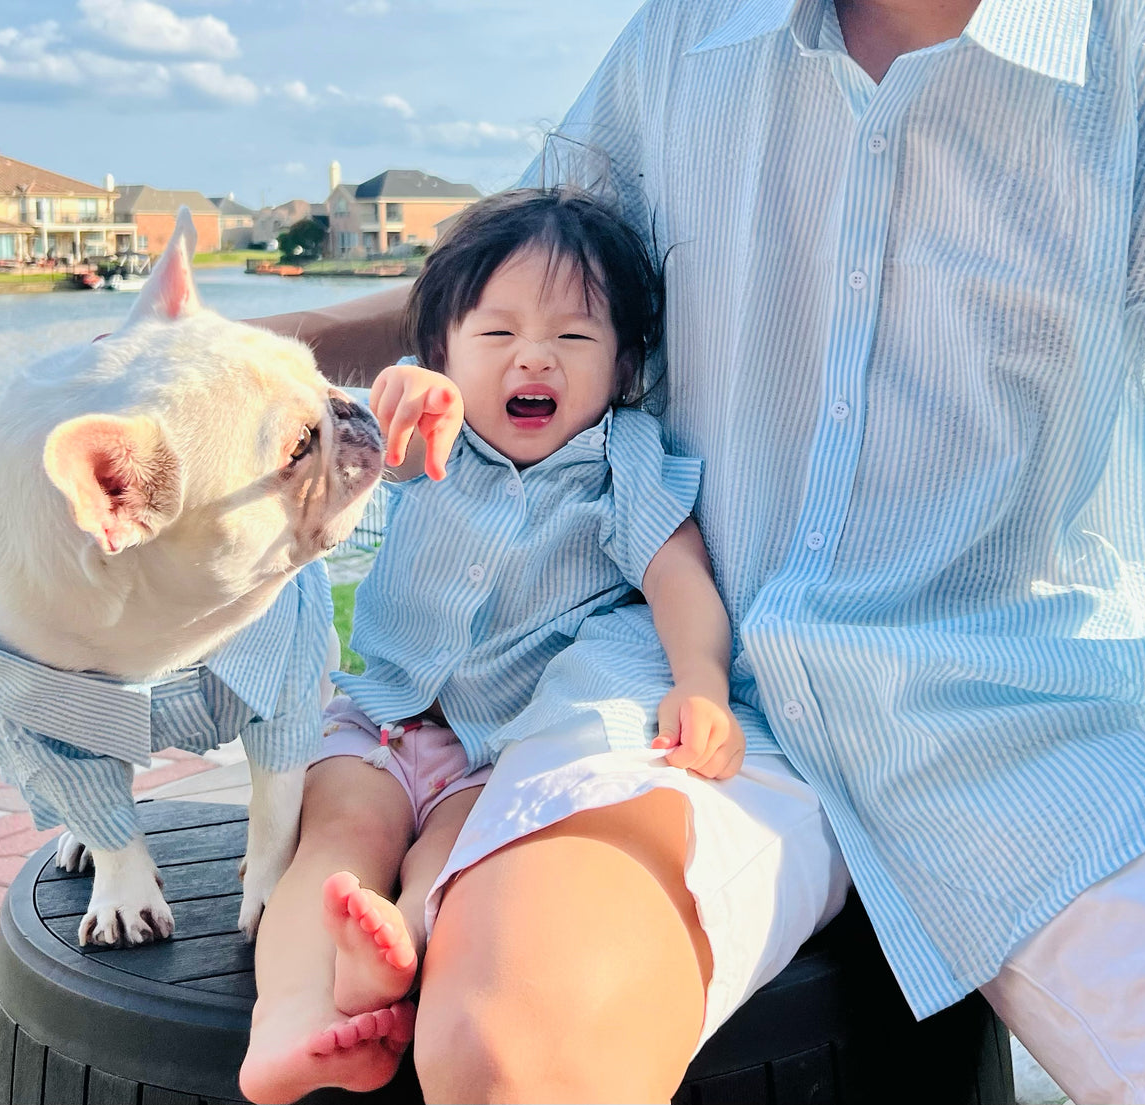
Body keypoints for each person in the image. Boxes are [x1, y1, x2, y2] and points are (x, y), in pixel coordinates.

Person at [252, 1, 1145, 1101]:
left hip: (1030, 717)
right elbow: (503, 292)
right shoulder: (683, 38)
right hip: (686, 691)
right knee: (509, 1048)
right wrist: (228, 354)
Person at [238, 187, 756, 1104]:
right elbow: (353, 436)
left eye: (574, 338)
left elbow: (681, 579)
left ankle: (388, 949)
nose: (533, 356)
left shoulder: (623, 461)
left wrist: (700, 682)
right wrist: (398, 394)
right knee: (332, 844)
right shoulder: (428, 437)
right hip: (385, 717)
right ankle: (287, 1020)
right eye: (496, 335)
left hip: (500, 749)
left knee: (457, 866)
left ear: (626, 364)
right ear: (440, 350)